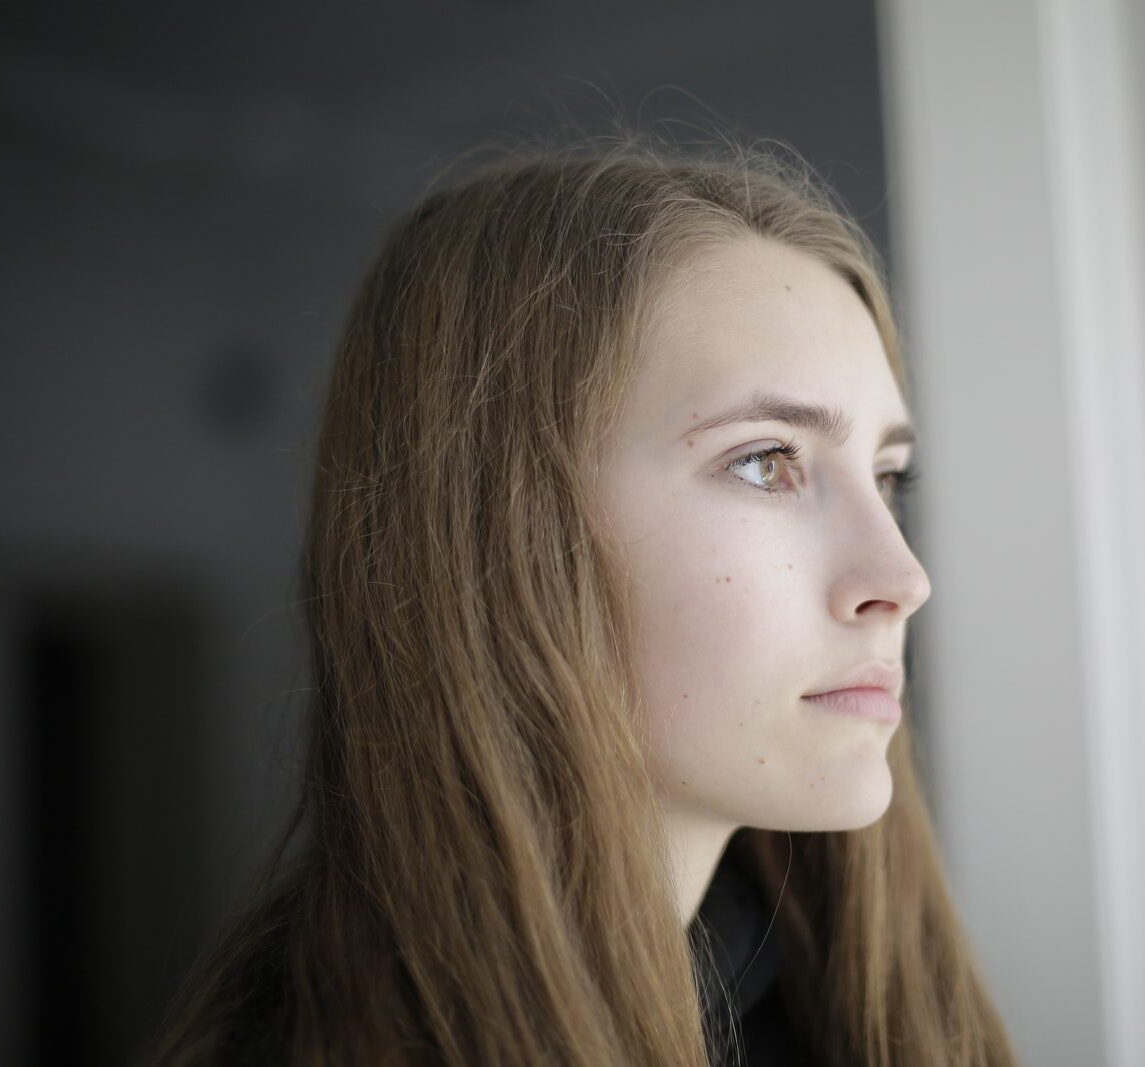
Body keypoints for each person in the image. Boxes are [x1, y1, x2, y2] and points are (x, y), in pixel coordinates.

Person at [142, 126, 1019, 1067]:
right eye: (767, 461)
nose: (902, 580)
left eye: (888, 476)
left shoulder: (840, 1017)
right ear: (498, 525)